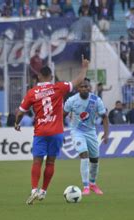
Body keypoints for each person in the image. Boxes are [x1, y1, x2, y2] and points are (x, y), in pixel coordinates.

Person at [14, 56, 89, 205]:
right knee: (51, 162)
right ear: (52, 77)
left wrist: (17, 123)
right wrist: (85, 67)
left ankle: (34, 189)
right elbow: (79, 80)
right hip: (56, 132)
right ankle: (43, 191)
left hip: (41, 131)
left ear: (39, 76)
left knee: (37, 161)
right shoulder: (59, 87)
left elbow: (21, 112)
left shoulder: (32, 92)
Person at [64, 78, 109, 195]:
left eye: (86, 86)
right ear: (78, 88)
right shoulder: (71, 100)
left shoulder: (96, 100)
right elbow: (61, 116)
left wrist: (106, 133)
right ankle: (86, 186)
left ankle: (92, 184)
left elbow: (104, 117)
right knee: (84, 154)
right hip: (76, 131)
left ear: (90, 88)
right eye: (82, 87)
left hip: (91, 132)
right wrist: (59, 133)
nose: (84, 88)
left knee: (94, 159)